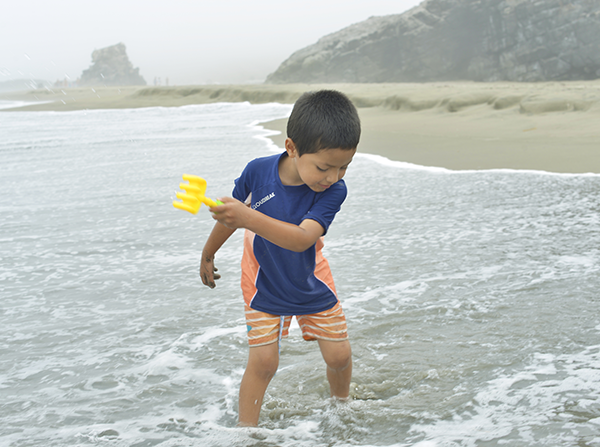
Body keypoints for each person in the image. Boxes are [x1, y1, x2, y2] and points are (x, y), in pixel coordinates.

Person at [199, 90, 361, 427]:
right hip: (263, 280)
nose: (333, 176)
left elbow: (302, 240)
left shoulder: (334, 191)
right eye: (324, 167)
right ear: (292, 148)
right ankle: (246, 433)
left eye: (344, 166)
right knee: (264, 362)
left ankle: (341, 406)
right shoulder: (258, 172)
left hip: (308, 275)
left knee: (339, 355)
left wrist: (247, 217)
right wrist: (209, 251)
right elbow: (231, 215)